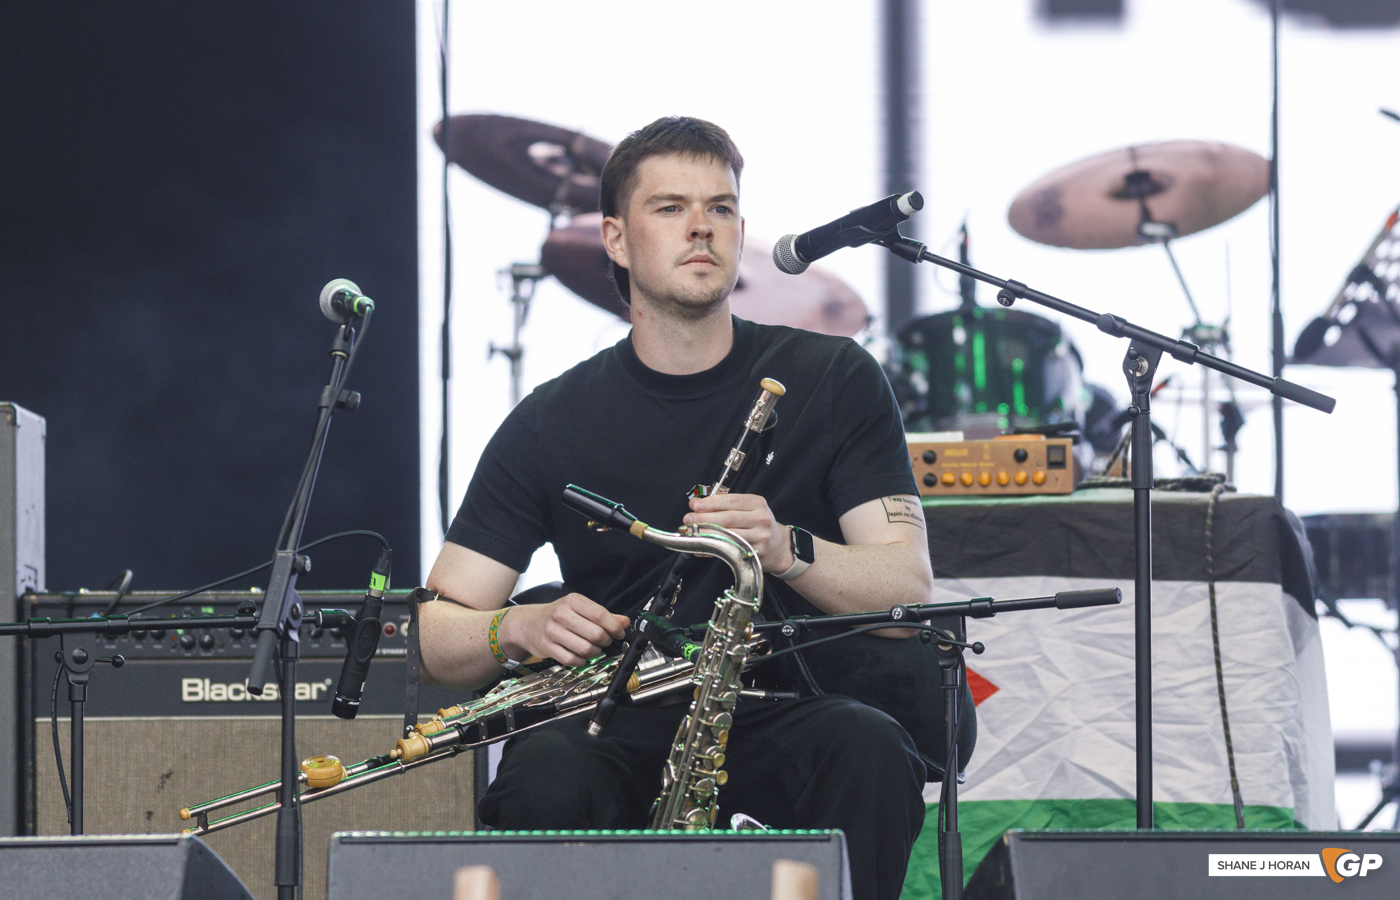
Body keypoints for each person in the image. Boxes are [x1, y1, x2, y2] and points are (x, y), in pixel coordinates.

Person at [420, 116, 932, 900]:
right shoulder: (550, 418)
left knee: (868, 748)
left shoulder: (834, 375)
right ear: (617, 240)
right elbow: (436, 630)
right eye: (670, 208)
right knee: (545, 775)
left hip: (790, 705)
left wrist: (788, 548)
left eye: (721, 208)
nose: (701, 227)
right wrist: (513, 626)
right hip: (614, 714)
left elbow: (906, 592)